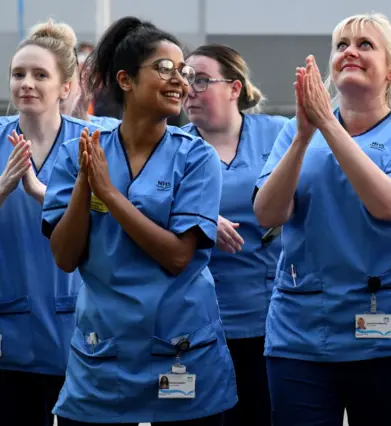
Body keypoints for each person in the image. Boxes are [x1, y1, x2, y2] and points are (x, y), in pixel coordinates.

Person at [41, 16, 237, 425]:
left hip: (180, 348)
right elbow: (64, 256)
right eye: (164, 69)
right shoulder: (82, 150)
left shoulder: (196, 157)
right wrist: (84, 181)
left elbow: (179, 257)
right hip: (104, 352)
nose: (180, 81)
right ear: (126, 80)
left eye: (183, 72)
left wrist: (109, 194)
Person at [253, 13, 391, 426]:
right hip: (301, 333)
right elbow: (268, 213)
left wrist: (326, 123)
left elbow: (390, 205)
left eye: (364, 45)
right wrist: (306, 135)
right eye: (341, 46)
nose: (350, 52)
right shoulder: (295, 133)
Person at [182, 43, 286, 426]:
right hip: (199, 322)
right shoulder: (173, 147)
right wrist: (203, 219)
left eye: (202, 80)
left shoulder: (279, 135)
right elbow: (144, 210)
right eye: (185, 79)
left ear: (235, 88)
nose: (189, 89)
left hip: (272, 318)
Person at [0, 19, 96, 426]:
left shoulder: (97, 140)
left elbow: (133, 206)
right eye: (18, 74)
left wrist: (42, 191)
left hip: (83, 327)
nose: (27, 83)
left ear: (67, 88)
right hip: (10, 330)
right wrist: (3, 189)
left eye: (41, 75)